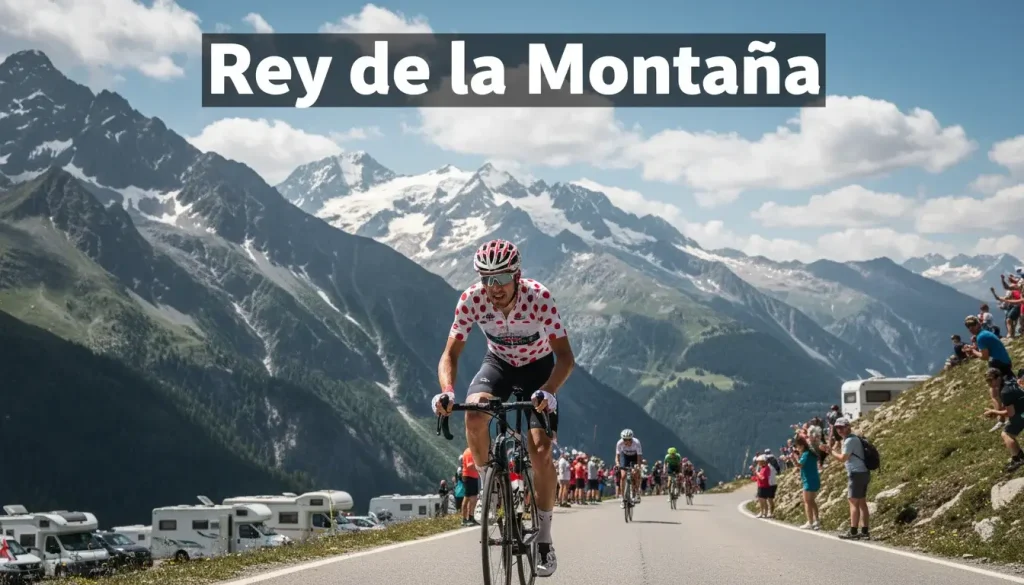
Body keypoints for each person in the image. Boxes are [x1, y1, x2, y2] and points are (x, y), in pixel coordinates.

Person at [432, 239, 575, 577]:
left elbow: (565, 357)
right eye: (485, 279)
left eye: (500, 279)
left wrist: (549, 391)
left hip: (539, 369)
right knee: (473, 413)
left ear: (517, 275)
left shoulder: (538, 297)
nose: (492, 288)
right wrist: (448, 391)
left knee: (540, 451)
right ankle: (489, 486)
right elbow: (449, 354)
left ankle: (544, 538)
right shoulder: (472, 299)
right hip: (497, 364)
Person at [829, 417, 870, 539]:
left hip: (856, 474)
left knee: (853, 502)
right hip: (864, 472)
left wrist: (830, 451)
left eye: (841, 427)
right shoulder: (854, 438)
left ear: (848, 427)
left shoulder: (849, 441)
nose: (839, 430)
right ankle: (864, 531)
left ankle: (853, 531)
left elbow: (843, 458)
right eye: (837, 428)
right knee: (862, 502)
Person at [982, 367, 1024, 472]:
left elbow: (1010, 413)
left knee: (1006, 433)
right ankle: (1019, 456)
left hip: (1021, 413)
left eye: (990, 380)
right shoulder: (1010, 381)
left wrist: (994, 412)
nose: (989, 383)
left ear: (998, 378)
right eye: (987, 381)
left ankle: (1017, 459)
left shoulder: (1004, 392)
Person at [793, 436, 821, 530]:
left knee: (807, 502)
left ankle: (810, 522)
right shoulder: (811, 453)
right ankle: (817, 520)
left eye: (797, 446)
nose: (797, 448)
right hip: (814, 479)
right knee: (812, 501)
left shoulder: (805, 454)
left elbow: (799, 465)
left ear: (801, 446)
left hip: (808, 480)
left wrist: (793, 458)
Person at [614, 429, 643, 507]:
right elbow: (617, 456)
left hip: (634, 457)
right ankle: (623, 498)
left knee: (635, 474)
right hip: (625, 457)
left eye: (629, 440)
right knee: (623, 476)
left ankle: (637, 492)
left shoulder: (636, 442)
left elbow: (639, 457)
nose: (626, 442)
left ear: (632, 438)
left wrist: (638, 466)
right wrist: (617, 463)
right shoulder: (619, 443)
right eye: (625, 440)